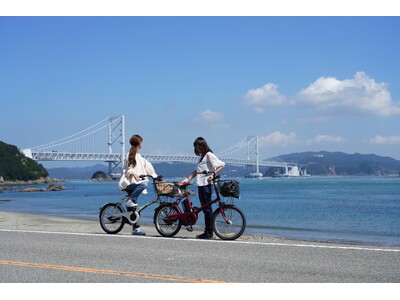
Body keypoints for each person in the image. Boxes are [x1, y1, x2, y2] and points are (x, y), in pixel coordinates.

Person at [181, 137, 225, 239]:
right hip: (201, 184)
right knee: (206, 209)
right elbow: (196, 172)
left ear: (200, 146)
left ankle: (208, 233)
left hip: (206, 185)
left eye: (196, 147)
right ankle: (208, 231)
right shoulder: (202, 157)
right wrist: (187, 179)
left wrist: (212, 175)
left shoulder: (209, 155)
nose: (195, 150)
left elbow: (221, 165)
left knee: (207, 209)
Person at [118, 134, 157, 236]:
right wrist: (134, 174)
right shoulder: (130, 155)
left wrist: (154, 175)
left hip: (134, 183)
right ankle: (129, 199)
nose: (142, 144)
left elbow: (147, 166)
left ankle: (135, 229)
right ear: (139, 143)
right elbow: (129, 167)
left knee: (135, 208)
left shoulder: (139, 156)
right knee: (144, 184)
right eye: (142, 142)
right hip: (128, 183)